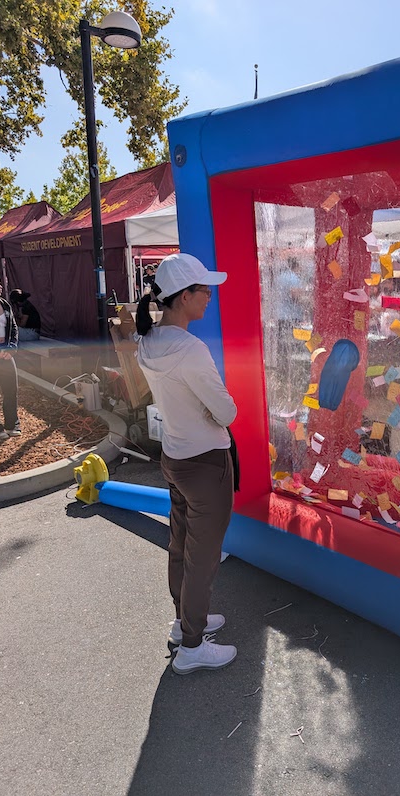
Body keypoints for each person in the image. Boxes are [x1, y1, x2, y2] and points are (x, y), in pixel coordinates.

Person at [136, 253, 238, 674]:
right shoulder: (190, 349)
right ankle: (192, 646)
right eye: (203, 289)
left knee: (181, 544)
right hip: (206, 461)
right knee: (203, 556)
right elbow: (227, 412)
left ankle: (184, 622)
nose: (209, 296)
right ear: (182, 298)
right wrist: (218, 411)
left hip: (175, 457)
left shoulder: (149, 342)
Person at [0, 271, 20, 440]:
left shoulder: (4, 304)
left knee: (11, 389)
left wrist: (11, 348)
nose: (0, 287)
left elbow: (13, 327)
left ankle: (12, 424)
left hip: (6, 353)